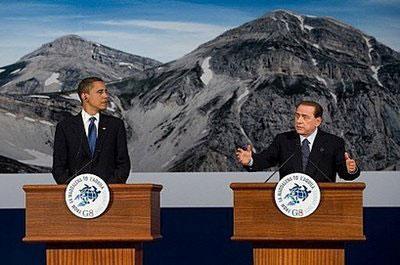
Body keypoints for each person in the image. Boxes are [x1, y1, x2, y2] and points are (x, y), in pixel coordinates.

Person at [235, 101, 360, 182]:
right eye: (297, 116)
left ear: (317, 121)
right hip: (289, 202)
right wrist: (250, 161)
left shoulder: (333, 143)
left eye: (305, 117)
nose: (299, 121)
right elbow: (265, 160)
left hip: (322, 203)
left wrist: (351, 169)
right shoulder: (283, 140)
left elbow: (345, 174)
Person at [52, 77, 130, 184]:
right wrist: (73, 188)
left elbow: (123, 164)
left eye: (106, 91)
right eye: (100, 92)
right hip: (76, 196)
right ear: (85, 96)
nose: (106, 96)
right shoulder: (65, 127)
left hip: (109, 194)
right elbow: (59, 167)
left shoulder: (115, 125)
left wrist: (108, 188)